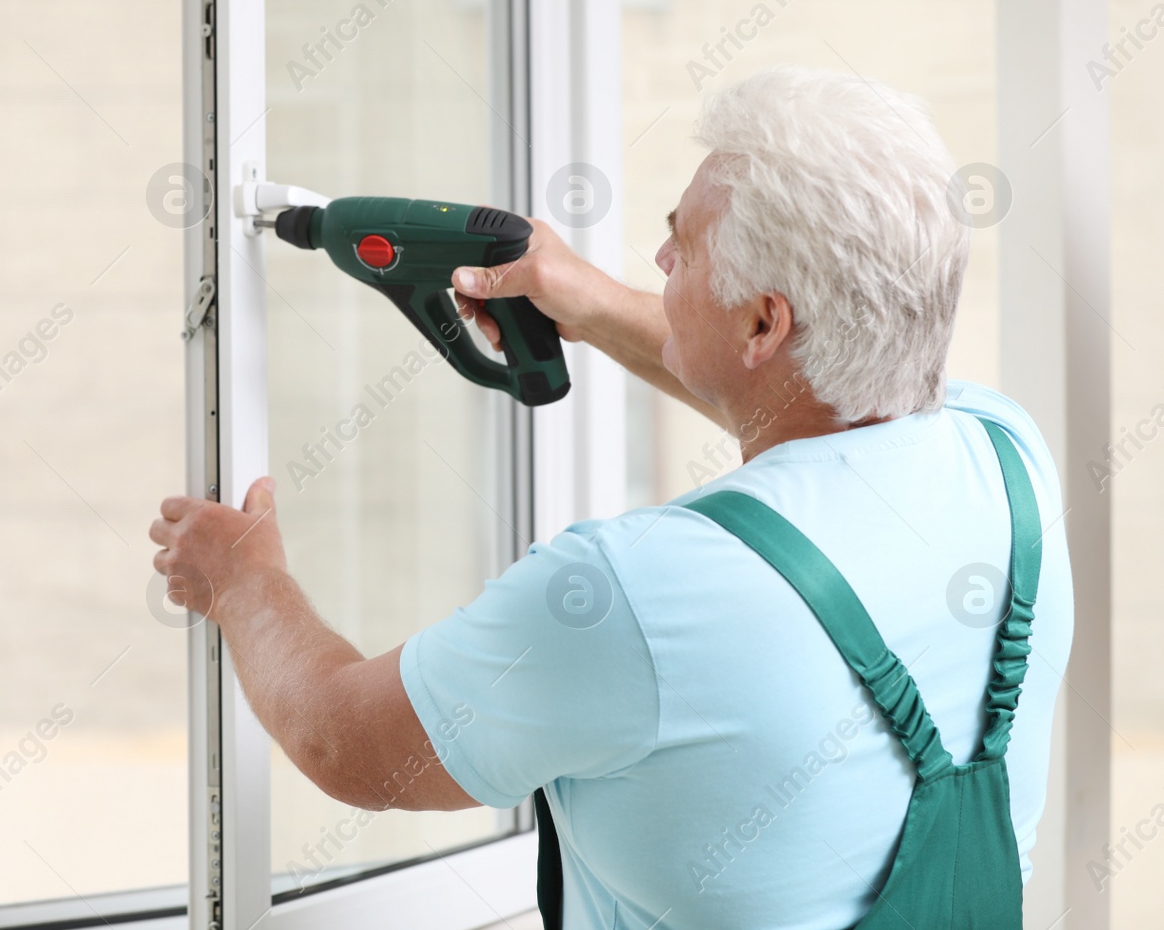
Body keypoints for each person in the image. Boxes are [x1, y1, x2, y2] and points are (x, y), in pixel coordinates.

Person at [148, 66, 1072, 929]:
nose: (663, 256)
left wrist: (244, 578)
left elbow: (347, 743)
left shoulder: (641, 591)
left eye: (687, 241)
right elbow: (814, 401)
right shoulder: (1010, 459)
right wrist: (588, 304)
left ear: (763, 321)